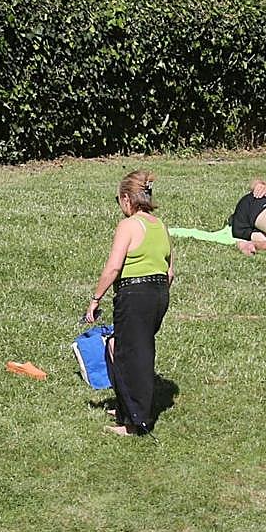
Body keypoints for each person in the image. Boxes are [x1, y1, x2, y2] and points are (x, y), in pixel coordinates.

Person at [84, 170, 174, 436]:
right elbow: (170, 272)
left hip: (135, 294)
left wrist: (95, 299)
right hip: (158, 294)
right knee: (117, 346)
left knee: (133, 356)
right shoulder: (160, 226)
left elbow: (113, 268)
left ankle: (136, 423)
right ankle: (126, 407)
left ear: (126, 198)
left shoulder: (129, 225)